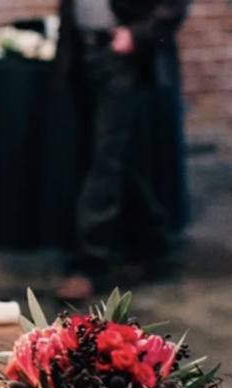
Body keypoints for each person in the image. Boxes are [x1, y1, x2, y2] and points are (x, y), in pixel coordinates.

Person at [56, 0, 191, 300]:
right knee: (112, 157)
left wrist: (138, 34)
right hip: (83, 54)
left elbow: (175, 6)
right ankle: (153, 237)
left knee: (105, 161)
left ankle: (89, 264)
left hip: (122, 57)